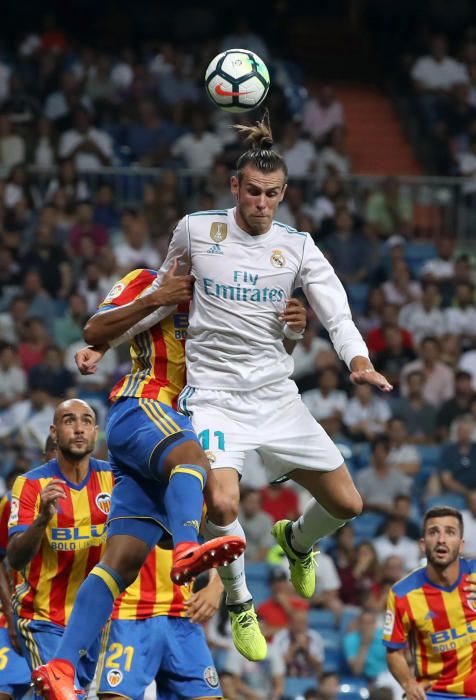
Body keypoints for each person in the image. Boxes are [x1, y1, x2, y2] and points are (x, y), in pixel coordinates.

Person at [71, 114, 391, 662]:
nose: (261, 203)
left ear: (283, 194)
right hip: (214, 396)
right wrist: (106, 342)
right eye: (253, 192)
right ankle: (240, 601)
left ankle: (296, 542)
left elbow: (335, 310)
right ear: (234, 187)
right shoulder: (196, 230)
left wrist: (357, 359)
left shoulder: (297, 247)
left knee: (348, 502)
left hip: (277, 396)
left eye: (272, 194)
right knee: (220, 497)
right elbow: (166, 293)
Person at [30, 268, 249, 697]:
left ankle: (60, 665)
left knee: (120, 562)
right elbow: (93, 327)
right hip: (144, 405)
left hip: (177, 429)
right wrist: (153, 299)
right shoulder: (149, 279)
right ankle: (188, 547)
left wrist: (291, 331)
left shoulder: (231, 297)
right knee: (192, 460)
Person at [7, 400, 113, 697]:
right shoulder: (30, 484)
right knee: (61, 694)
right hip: (43, 618)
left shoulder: (114, 479)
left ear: (95, 431)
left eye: (86, 421)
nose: (79, 428)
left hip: (96, 621)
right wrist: (42, 521)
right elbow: (14, 558)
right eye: (69, 421)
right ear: (54, 432)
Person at [96, 540, 225, 700]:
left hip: (184, 618)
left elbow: (222, 533)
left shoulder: (196, 513)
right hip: (128, 616)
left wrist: (217, 586)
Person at [384, 506, 476, 699]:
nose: (441, 539)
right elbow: (394, 652)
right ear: (422, 544)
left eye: (450, 532)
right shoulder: (402, 594)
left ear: (461, 545)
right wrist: (408, 683)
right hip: (435, 694)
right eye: (434, 532)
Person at [0, 491, 30, 700]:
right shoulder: (13, 500)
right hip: (20, 614)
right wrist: (10, 615)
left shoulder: (101, 489)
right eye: (50, 453)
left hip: (74, 615)